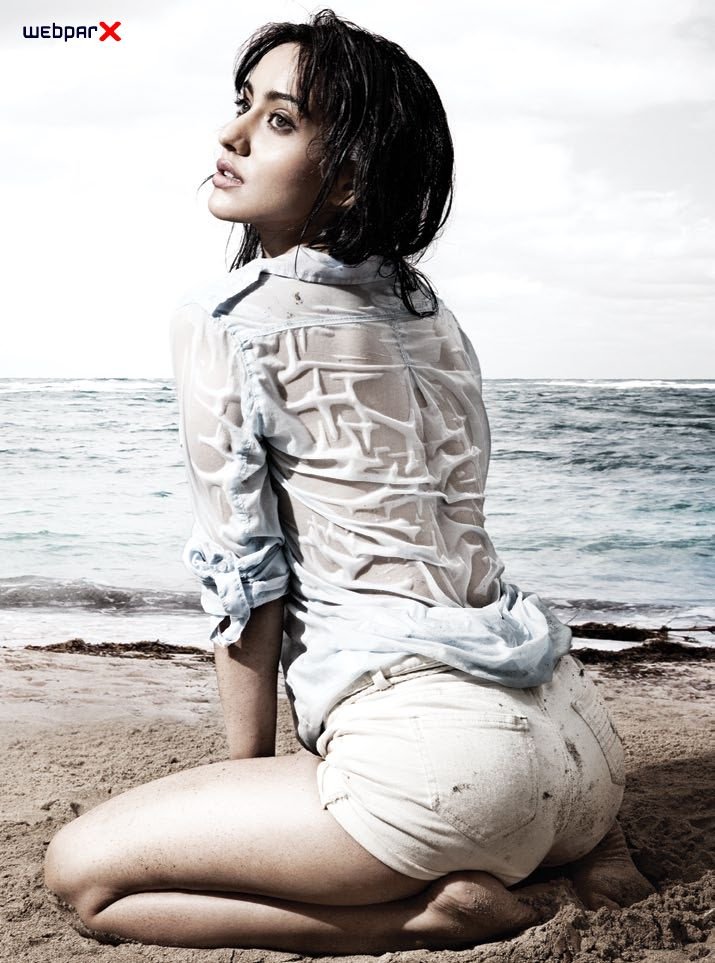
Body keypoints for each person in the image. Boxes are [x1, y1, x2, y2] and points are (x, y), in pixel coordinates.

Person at [43, 9, 655, 952]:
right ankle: (584, 856)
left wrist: (243, 781)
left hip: (445, 774)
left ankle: (426, 915)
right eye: (242, 105)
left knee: (83, 879)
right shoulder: (431, 311)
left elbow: (246, 583)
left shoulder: (227, 319)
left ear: (350, 176)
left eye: (278, 120)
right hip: (583, 752)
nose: (230, 135)